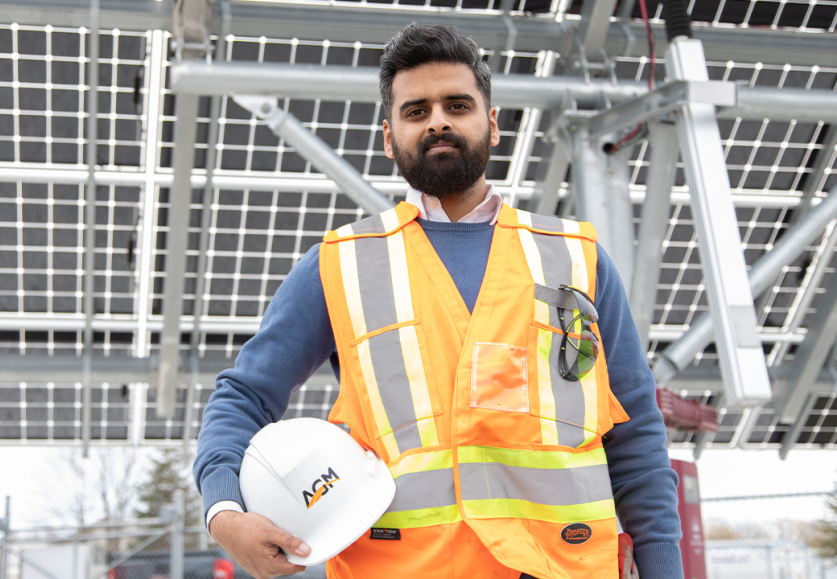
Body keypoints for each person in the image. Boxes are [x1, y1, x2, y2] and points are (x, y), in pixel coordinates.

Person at [194, 22, 682, 579]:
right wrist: (223, 512)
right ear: (388, 135)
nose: (439, 121)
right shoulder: (339, 264)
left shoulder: (578, 260)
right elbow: (243, 396)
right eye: (416, 110)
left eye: (457, 104)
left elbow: (637, 434)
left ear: (492, 124)